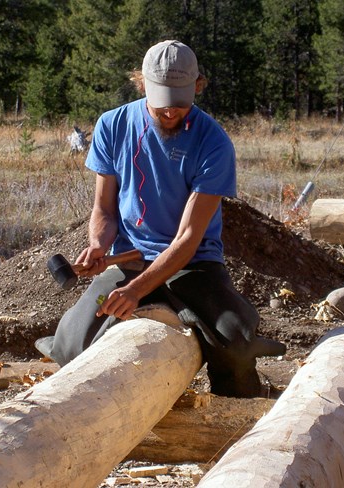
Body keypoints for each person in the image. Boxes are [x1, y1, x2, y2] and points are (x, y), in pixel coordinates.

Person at [36, 40, 285, 398]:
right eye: (162, 102)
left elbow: (187, 238)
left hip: (193, 262)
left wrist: (136, 291)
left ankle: (244, 406)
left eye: (180, 102)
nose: (171, 112)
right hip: (130, 259)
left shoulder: (214, 143)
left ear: (197, 86)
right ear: (142, 85)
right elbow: (105, 209)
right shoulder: (112, 125)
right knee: (72, 345)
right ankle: (65, 349)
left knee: (235, 341)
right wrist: (98, 244)